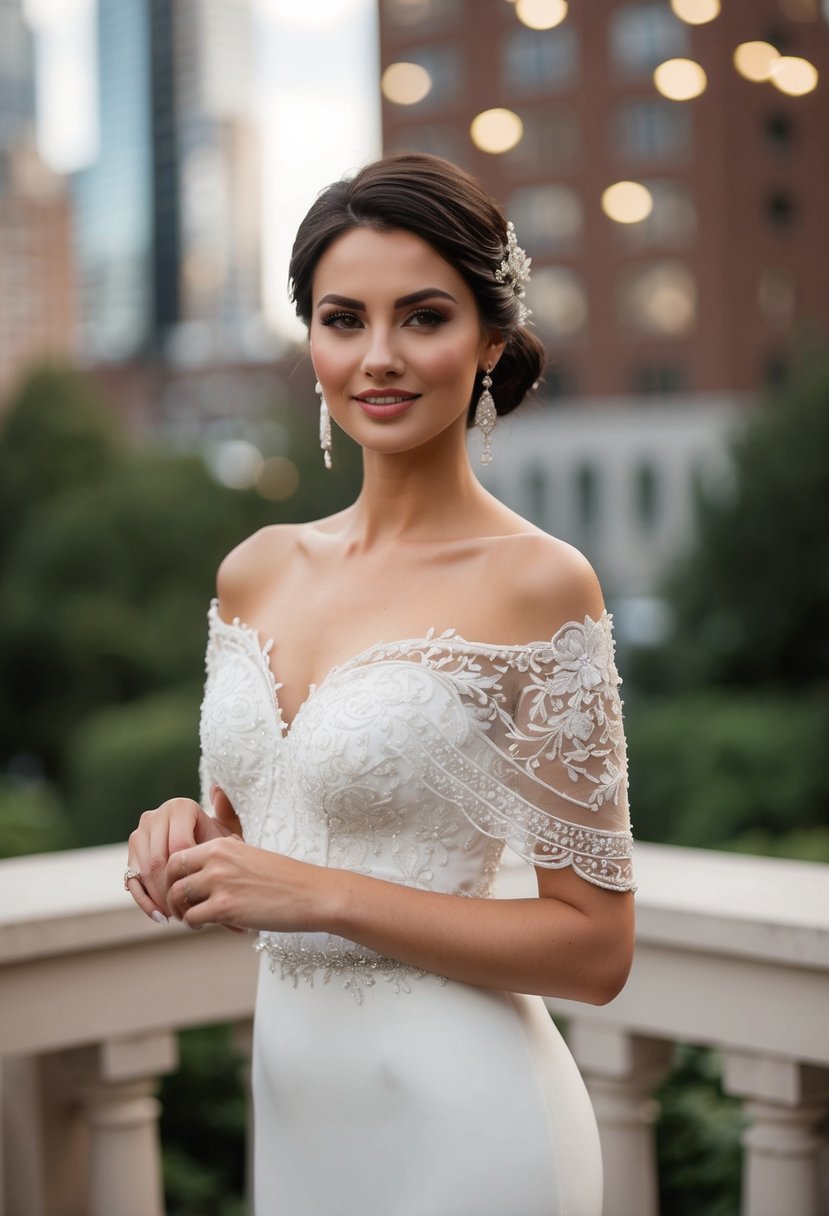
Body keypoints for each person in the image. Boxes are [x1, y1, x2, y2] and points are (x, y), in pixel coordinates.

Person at [125, 152, 635, 1216]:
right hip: (300, 1109)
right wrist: (179, 829)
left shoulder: (539, 582)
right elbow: (258, 826)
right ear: (309, 337)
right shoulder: (254, 569)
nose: (379, 357)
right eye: (343, 318)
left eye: (424, 316)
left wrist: (317, 896)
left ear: (490, 338)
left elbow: (593, 948)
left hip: (470, 1117)